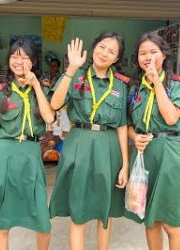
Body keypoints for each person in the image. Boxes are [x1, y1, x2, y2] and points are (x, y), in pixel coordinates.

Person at [0, 38, 55, 250]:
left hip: (31, 157)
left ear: (33, 61)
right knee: (2, 220)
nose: (19, 61)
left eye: (25, 57)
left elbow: (49, 118)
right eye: (15, 56)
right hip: (2, 157)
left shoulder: (42, 89)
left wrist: (35, 84)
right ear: (9, 60)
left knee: (42, 221)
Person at [49, 33, 129, 250]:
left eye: (111, 51)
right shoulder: (75, 76)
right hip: (79, 144)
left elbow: (122, 125)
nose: (104, 53)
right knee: (79, 205)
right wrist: (71, 69)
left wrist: (125, 165)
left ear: (116, 58)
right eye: (102, 47)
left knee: (106, 208)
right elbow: (55, 104)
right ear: (94, 48)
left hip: (108, 145)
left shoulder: (121, 85)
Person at [126, 33, 180, 250]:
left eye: (154, 52)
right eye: (143, 53)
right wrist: (135, 138)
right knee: (150, 219)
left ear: (164, 55)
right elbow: (127, 125)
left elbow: (171, 117)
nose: (148, 57)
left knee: (172, 222)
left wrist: (157, 83)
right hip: (143, 155)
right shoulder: (134, 88)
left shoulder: (178, 85)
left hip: (169, 154)